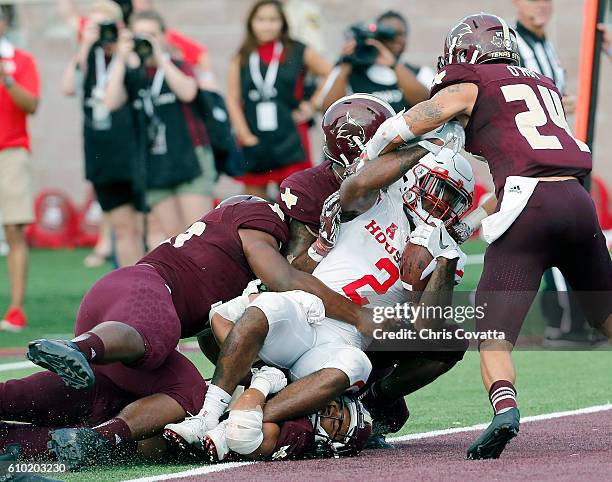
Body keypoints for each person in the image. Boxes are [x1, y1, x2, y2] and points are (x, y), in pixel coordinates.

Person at [362, 13, 612, 460]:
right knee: (606, 316)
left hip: (530, 207)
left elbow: (419, 118)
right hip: (576, 199)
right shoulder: (542, 83)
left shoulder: (472, 81)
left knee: (493, 333)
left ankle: (504, 410)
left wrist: (374, 148)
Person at [163, 103, 471, 454]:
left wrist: (444, 258)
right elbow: (356, 186)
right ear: (413, 175)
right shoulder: (382, 199)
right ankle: (210, 412)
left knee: (358, 364)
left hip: (347, 338)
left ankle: (243, 417)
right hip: (312, 309)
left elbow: (427, 327)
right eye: (438, 188)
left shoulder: (444, 251)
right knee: (261, 308)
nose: (440, 203)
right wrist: (429, 143)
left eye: (453, 198)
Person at [26, 195, 373, 469]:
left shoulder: (240, 264)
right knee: (160, 338)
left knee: (187, 391)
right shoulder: (265, 221)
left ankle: (88, 441)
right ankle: (79, 349)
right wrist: (358, 317)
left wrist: (250, 375)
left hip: (125, 331)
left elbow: (216, 333)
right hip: (141, 295)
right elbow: (283, 279)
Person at [105, 9, 216, 246]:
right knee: (173, 241)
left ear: (165, 36)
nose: (146, 40)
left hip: (190, 156)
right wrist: (120, 59)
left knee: (197, 234)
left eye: (152, 35)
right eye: (140, 35)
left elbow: (188, 92)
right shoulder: (132, 74)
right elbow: (110, 102)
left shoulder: (176, 64)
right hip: (156, 161)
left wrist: (160, 56)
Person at [61, 0, 145, 268]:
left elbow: (134, 73)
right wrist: (85, 43)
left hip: (131, 147)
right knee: (121, 224)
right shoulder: (90, 54)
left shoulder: (127, 52)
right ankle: (129, 282)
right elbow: (68, 86)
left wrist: (121, 47)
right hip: (101, 148)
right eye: (97, 25)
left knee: (143, 224)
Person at [227, 0, 331, 199]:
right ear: (251, 23)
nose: (267, 25)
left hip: (290, 136)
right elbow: (232, 99)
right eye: (261, 19)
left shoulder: (298, 50)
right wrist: (244, 135)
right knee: (254, 204)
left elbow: (330, 73)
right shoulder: (242, 56)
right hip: (254, 137)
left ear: (283, 23)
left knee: (294, 198)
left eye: (273, 19)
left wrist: (312, 105)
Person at [57, 0, 216, 90]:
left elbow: (199, 53)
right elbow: (71, 19)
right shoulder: (96, 29)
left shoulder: (137, 36)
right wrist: (85, 44)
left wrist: (207, 78)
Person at [0, 6, 40, 332]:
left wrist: (6, 79)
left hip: (10, 152)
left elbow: (31, 104)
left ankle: (15, 309)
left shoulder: (21, 61)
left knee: (14, 230)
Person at [321, 10, 431, 114]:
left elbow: (426, 106)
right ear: (376, 37)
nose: (395, 39)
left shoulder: (421, 73)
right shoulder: (349, 74)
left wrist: (394, 65)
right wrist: (345, 66)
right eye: (389, 35)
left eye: (400, 34)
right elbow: (329, 111)